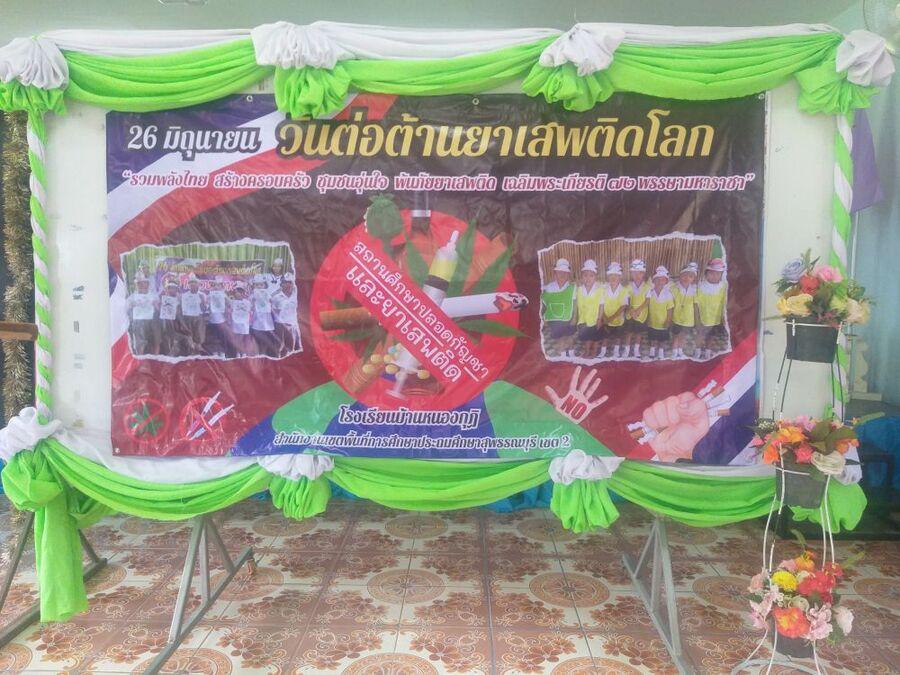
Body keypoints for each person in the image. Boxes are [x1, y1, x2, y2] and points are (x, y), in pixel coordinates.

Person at [541, 258, 576, 354]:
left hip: (569, 317)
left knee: (569, 335)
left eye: (565, 273)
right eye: (559, 272)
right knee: (559, 336)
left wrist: (574, 317)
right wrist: (545, 319)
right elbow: (545, 304)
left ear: (568, 275)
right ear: (555, 274)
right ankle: (563, 352)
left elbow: (575, 304)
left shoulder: (572, 288)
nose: (562, 275)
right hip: (555, 318)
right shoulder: (549, 287)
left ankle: (571, 351)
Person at [696, 258, 728, 359]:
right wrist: (697, 318)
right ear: (706, 273)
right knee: (701, 335)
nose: (714, 276)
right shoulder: (701, 287)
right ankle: (697, 351)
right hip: (703, 319)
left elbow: (723, 302)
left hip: (716, 319)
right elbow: (696, 303)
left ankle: (708, 352)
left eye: (718, 274)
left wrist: (723, 317)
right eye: (711, 273)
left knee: (712, 336)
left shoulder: (723, 287)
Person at [599, 262, 629, 358]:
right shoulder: (603, 289)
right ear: (607, 277)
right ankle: (603, 352)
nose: (613, 277)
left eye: (616, 275)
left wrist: (612, 317)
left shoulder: (624, 290)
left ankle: (616, 351)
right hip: (606, 319)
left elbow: (623, 306)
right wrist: (604, 317)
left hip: (618, 320)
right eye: (611, 275)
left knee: (618, 337)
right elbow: (601, 305)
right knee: (605, 337)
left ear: (620, 277)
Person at [574, 259, 603, 358]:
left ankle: (594, 351)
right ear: (582, 277)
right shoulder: (579, 289)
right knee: (587, 337)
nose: (588, 278)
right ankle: (587, 351)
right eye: (585, 275)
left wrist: (599, 319)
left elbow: (601, 305)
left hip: (595, 319)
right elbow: (577, 305)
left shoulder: (599, 290)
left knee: (595, 337)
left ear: (595, 277)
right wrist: (576, 318)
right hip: (584, 319)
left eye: (591, 275)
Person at [671, 262, 699, 359]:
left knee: (683, 335)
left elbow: (695, 305)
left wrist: (696, 319)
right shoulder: (674, 288)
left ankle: (680, 350)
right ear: (680, 275)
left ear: (693, 279)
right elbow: (670, 304)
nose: (687, 278)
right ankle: (674, 351)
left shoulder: (694, 290)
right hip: (676, 318)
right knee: (676, 335)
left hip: (688, 319)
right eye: (684, 275)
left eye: (690, 276)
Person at [624, 258, 650, 359]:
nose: (637, 275)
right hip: (630, 314)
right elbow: (626, 301)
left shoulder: (647, 287)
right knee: (629, 333)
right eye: (634, 273)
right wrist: (631, 310)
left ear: (643, 273)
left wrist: (638, 310)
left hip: (641, 314)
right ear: (631, 274)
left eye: (640, 273)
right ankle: (626, 350)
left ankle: (636, 350)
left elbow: (647, 301)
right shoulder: (628, 287)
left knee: (638, 333)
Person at [646, 266, 675, 359]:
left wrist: (668, 321)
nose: (659, 282)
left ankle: (661, 351)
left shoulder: (668, 294)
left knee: (662, 338)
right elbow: (647, 307)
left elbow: (670, 309)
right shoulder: (650, 293)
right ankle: (652, 349)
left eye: (662, 280)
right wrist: (648, 319)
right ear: (653, 281)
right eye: (657, 279)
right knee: (653, 337)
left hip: (663, 322)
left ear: (666, 282)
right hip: (653, 321)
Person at [126, 273, 158, 355]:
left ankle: (155, 358)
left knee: (154, 343)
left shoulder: (154, 296)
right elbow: (125, 310)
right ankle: (140, 360)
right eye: (139, 283)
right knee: (139, 345)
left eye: (144, 282)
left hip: (152, 323)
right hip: (138, 323)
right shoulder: (132, 297)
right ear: (136, 285)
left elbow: (162, 310)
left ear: (148, 284)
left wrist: (157, 305)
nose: (142, 285)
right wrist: (130, 306)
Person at [272, 272, 301, 356]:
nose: (287, 284)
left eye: (290, 282)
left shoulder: (297, 295)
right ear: (281, 284)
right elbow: (274, 311)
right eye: (285, 282)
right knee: (280, 349)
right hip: (280, 326)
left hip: (293, 326)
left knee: (293, 350)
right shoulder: (276, 297)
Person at [250, 273, 277, 357]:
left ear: (264, 285)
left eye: (261, 285)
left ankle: (264, 351)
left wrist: (270, 304)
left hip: (266, 316)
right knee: (257, 333)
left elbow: (271, 301)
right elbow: (251, 304)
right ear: (254, 286)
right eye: (257, 285)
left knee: (265, 333)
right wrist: (253, 304)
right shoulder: (253, 294)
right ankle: (259, 351)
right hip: (257, 316)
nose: (259, 286)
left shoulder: (267, 293)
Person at [179, 273, 207, 355]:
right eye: (191, 283)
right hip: (188, 318)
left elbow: (204, 310)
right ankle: (191, 353)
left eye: (195, 282)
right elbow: (182, 309)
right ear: (189, 285)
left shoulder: (202, 295)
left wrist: (203, 302)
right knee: (189, 337)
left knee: (199, 338)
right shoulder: (184, 295)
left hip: (199, 318)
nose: (193, 284)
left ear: (198, 284)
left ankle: (198, 353)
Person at [204, 275, 229, 358]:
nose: (216, 287)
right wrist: (207, 302)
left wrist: (226, 302)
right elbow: (206, 304)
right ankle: (215, 351)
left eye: (218, 285)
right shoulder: (210, 294)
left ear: (221, 286)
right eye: (214, 285)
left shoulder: (224, 294)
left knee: (222, 337)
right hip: (212, 320)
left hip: (222, 320)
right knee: (214, 338)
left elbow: (229, 304)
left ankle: (222, 352)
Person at [227, 281, 253, 357]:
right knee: (237, 338)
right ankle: (238, 352)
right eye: (236, 292)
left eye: (239, 292)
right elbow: (229, 312)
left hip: (244, 323)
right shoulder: (232, 302)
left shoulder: (247, 302)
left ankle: (243, 352)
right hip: (235, 323)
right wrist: (229, 320)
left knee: (243, 338)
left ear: (243, 293)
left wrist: (250, 322)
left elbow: (250, 312)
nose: (237, 294)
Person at [158, 280, 181, 357]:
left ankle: (173, 349)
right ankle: (168, 350)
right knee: (166, 325)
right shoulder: (162, 297)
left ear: (176, 289)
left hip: (176, 321)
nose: (171, 290)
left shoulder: (179, 298)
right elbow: (159, 310)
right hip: (164, 321)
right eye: (169, 288)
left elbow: (180, 311)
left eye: (173, 288)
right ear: (166, 289)